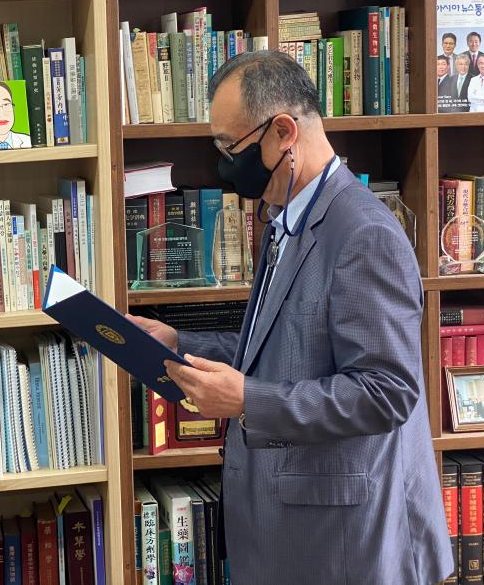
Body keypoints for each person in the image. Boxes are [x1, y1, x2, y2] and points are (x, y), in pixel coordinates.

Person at [128, 51, 452, 584]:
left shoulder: (363, 233)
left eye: (230, 147)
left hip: (343, 541)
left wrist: (248, 400)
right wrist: (178, 342)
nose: (224, 164)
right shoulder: (285, 218)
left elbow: (387, 391)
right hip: (290, 526)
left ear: (283, 132)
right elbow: (281, 347)